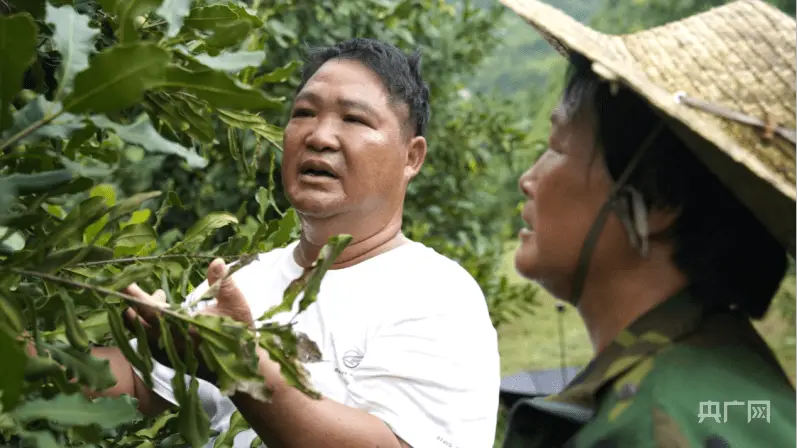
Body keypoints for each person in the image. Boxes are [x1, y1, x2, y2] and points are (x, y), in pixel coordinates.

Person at [88, 38, 501, 448]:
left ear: (412, 157)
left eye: (354, 119)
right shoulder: (241, 280)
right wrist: (29, 350)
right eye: (304, 113)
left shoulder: (437, 294)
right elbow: (146, 386)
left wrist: (241, 367)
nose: (320, 136)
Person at [497, 0, 797, 447]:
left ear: (660, 198)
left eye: (558, 146)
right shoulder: (731, 384)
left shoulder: (649, 425)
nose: (529, 179)